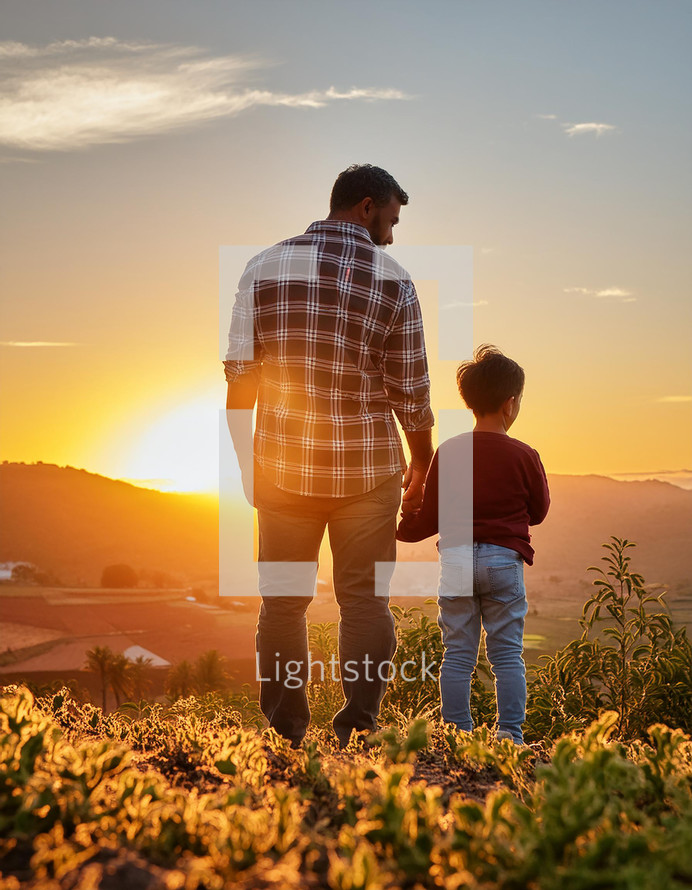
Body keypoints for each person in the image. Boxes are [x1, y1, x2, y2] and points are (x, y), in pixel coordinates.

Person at [224, 164, 434, 748]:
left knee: (283, 605)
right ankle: (358, 729)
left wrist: (247, 462)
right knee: (365, 602)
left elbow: (240, 379)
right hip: (368, 474)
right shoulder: (394, 282)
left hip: (282, 471)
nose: (391, 235)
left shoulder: (261, 269)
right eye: (391, 220)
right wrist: (421, 462)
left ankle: (287, 731)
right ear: (366, 207)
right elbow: (410, 393)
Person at [396, 345, 549, 743]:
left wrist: (402, 524)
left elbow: (428, 521)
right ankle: (511, 736)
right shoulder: (525, 455)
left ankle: (458, 735)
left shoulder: (449, 452)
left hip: (458, 559)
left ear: (471, 402)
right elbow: (540, 511)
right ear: (510, 404)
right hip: (503, 560)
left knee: (458, 655)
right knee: (506, 656)